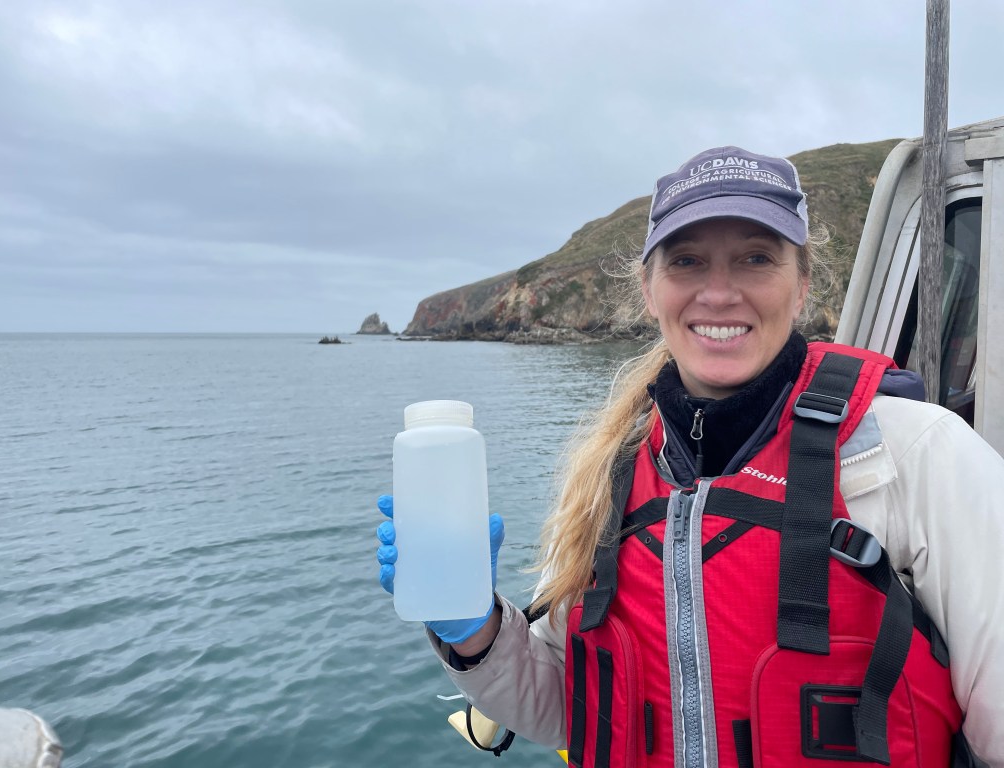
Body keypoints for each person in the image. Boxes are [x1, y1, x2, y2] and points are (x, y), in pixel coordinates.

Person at [376, 146, 1004, 767]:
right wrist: (477, 631)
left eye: (756, 259)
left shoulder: (915, 453)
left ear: (803, 286)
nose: (719, 293)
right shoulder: (609, 475)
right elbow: (569, 708)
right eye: (686, 262)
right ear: (649, 291)